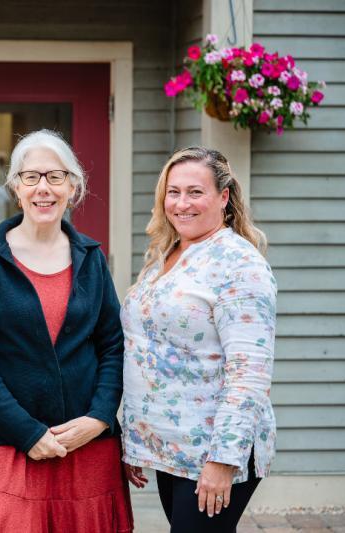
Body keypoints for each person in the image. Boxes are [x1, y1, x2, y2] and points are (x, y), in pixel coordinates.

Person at [0, 129, 134, 533]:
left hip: (87, 445)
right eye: (31, 176)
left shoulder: (91, 257)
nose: (43, 188)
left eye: (55, 176)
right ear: (15, 187)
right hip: (8, 442)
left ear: (73, 187)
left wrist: (100, 417)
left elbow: (112, 345)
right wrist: (27, 432)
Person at [121, 146, 277, 532]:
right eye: (173, 192)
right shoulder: (168, 253)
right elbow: (145, 348)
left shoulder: (239, 264)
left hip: (213, 449)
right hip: (171, 447)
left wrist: (223, 460)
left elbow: (249, 373)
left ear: (223, 197)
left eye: (195, 192)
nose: (181, 203)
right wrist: (134, 440)